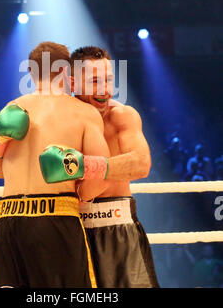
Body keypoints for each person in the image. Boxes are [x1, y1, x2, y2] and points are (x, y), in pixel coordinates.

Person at [0, 41, 110, 288]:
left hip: (8, 220)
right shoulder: (83, 113)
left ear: (31, 72)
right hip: (56, 217)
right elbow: (101, 177)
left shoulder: (12, 108)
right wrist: (79, 197)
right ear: (66, 71)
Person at [40, 46, 159, 288]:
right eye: (95, 81)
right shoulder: (59, 119)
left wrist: (84, 166)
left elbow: (141, 164)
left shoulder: (121, 116)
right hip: (71, 228)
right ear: (73, 82)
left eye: (108, 80)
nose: (105, 89)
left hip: (118, 226)